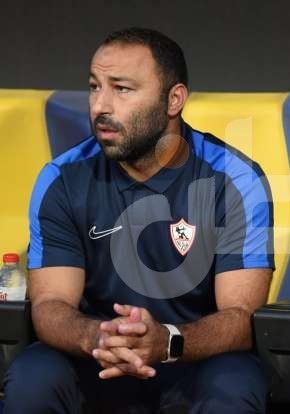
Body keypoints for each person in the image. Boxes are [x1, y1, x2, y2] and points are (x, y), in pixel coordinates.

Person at [3, 28, 273, 413]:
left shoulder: (235, 179)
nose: (100, 105)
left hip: (192, 359)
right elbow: (50, 304)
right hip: (97, 360)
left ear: (173, 99)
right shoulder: (61, 178)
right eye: (94, 87)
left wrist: (167, 341)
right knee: (34, 377)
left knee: (236, 382)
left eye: (122, 89)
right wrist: (96, 336)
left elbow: (241, 317)